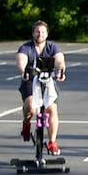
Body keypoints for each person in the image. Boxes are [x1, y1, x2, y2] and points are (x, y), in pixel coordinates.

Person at [16, 20, 66, 155]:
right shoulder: (26, 47)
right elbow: (21, 60)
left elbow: (60, 60)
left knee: (51, 109)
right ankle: (26, 122)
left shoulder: (52, 47)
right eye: (37, 31)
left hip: (47, 82)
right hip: (30, 82)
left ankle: (52, 142)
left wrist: (61, 70)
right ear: (33, 33)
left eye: (43, 32)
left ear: (47, 34)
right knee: (31, 106)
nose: (40, 34)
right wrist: (23, 71)